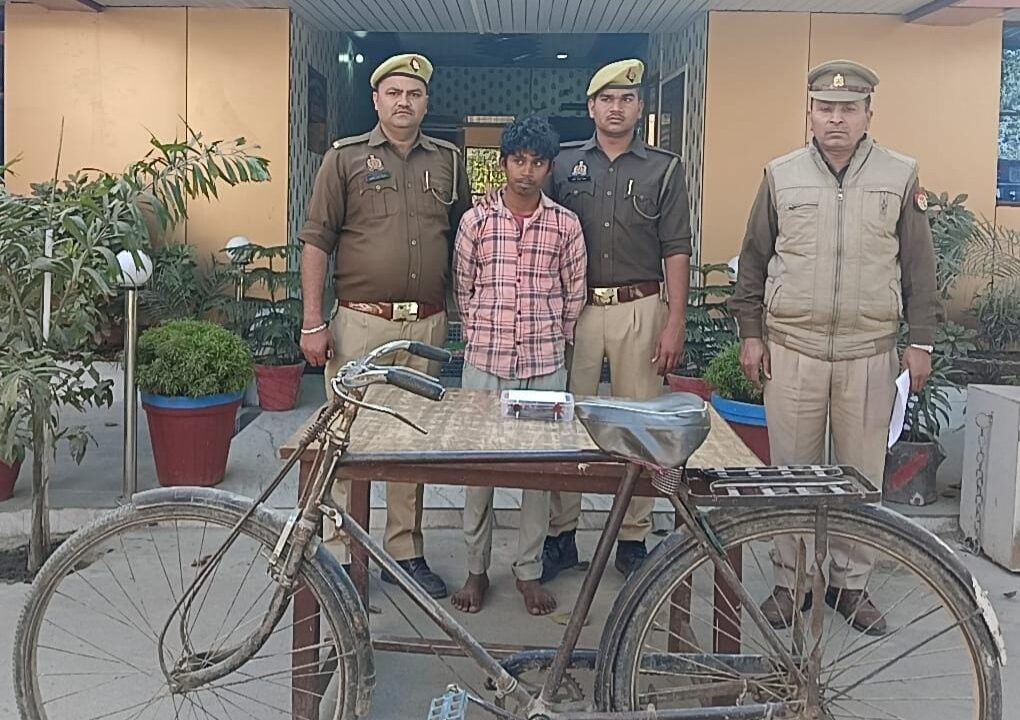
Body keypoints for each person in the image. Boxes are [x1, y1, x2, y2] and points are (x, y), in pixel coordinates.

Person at [729, 60, 940, 635]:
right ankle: (790, 581)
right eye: (826, 108)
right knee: (789, 472)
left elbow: (919, 268)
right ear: (810, 112)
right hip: (793, 347)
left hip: (868, 350)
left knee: (860, 474)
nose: (836, 119)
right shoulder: (781, 175)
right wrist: (751, 334)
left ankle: (850, 584)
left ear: (869, 113)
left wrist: (920, 341)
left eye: (848, 109)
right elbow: (754, 259)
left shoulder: (899, 175)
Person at [298, 53, 471, 600]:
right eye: (394, 92)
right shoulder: (344, 158)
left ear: (426, 103)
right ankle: (339, 553)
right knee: (344, 437)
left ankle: (404, 551)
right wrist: (312, 321)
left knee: (410, 440)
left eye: (414, 94)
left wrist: (465, 313)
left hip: (427, 325)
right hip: (362, 324)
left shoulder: (448, 161)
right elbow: (317, 241)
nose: (404, 102)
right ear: (376, 100)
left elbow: (463, 238)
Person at [542, 59, 693, 579]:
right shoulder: (563, 165)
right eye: (606, 99)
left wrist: (675, 320)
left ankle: (633, 535)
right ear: (591, 107)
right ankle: (561, 533)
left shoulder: (664, 169)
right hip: (576, 309)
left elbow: (676, 248)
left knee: (641, 424)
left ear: (639, 107)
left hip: (640, 308)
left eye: (626, 99)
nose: (616, 108)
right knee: (568, 419)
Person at [450, 115, 587, 616]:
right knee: (477, 468)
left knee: (538, 471)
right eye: (518, 160)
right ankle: (476, 568)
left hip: (543, 362)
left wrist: (552, 338)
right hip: (485, 361)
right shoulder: (476, 221)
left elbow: (574, 292)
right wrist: (483, 334)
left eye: (538, 162)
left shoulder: (565, 225)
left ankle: (528, 571)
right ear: (503, 163)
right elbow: (463, 288)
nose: (527, 172)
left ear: (550, 168)